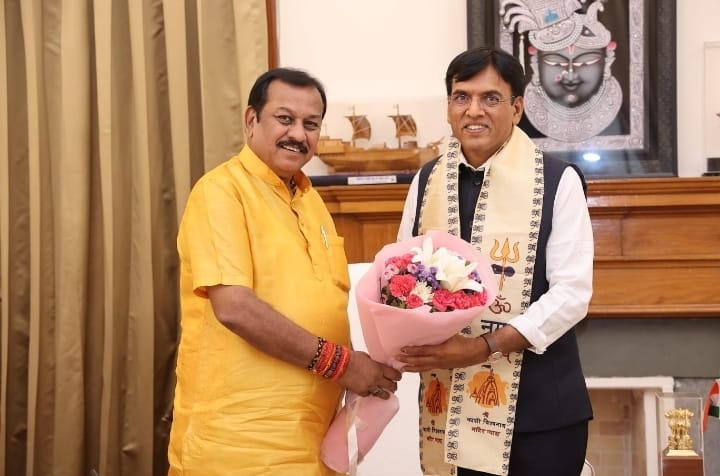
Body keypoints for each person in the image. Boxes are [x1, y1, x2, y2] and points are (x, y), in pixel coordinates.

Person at [167, 67, 402, 476]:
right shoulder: (221, 191)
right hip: (238, 447)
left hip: (313, 444)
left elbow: (322, 307)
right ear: (251, 120)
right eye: (284, 119)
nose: (298, 134)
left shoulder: (311, 201)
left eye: (311, 124)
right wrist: (345, 366)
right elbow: (235, 308)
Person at [395, 47, 594, 476]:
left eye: (490, 98)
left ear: (516, 108)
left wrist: (483, 347)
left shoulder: (559, 180)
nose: (473, 111)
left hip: (542, 415)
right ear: (449, 106)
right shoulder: (427, 181)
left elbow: (572, 293)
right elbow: (402, 274)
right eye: (461, 97)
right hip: (450, 410)